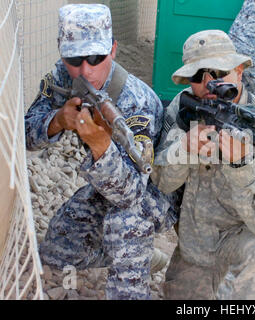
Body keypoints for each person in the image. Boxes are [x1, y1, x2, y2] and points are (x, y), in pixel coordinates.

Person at [24, 4, 176, 299]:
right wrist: (57, 122)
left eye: (96, 57)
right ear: (61, 51)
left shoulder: (136, 102)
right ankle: (139, 255)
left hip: (155, 192)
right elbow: (26, 133)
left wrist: (99, 142)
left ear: (114, 50)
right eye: (74, 59)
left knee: (124, 224)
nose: (85, 70)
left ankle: (133, 274)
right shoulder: (60, 77)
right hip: (108, 183)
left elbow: (132, 193)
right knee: (56, 251)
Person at [150, 30, 255, 299]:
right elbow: (161, 182)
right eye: (198, 76)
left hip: (247, 238)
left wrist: (241, 166)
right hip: (197, 245)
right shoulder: (184, 110)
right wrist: (184, 150)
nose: (208, 85)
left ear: (239, 71)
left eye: (219, 73)